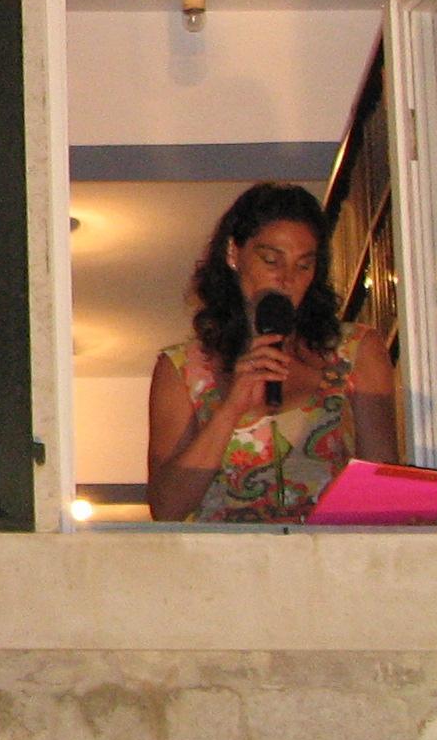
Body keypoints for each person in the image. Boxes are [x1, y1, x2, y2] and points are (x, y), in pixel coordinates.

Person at [145, 181, 400, 522]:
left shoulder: (355, 351)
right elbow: (166, 507)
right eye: (271, 260)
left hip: (329, 552)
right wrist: (231, 408)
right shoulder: (182, 369)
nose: (287, 278)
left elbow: (383, 487)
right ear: (233, 254)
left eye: (303, 265)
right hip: (227, 554)